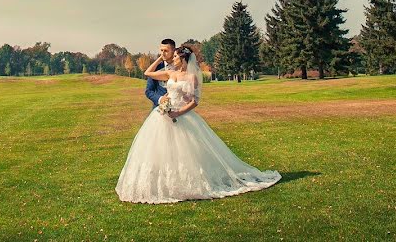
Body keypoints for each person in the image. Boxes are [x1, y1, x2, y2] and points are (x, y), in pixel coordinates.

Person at [115, 44, 281, 203]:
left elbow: (194, 102)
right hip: (162, 116)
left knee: (185, 152)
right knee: (161, 150)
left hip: (182, 116)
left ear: (183, 59)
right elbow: (147, 72)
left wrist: (179, 112)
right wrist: (159, 58)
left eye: (175, 56)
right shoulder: (169, 73)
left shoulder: (191, 77)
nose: (172, 59)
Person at [144, 38, 177, 108]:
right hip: (159, 109)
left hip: (178, 108)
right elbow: (148, 91)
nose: (162, 53)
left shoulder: (180, 67)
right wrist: (160, 99)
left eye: (166, 51)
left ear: (173, 51)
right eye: (161, 50)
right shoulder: (155, 68)